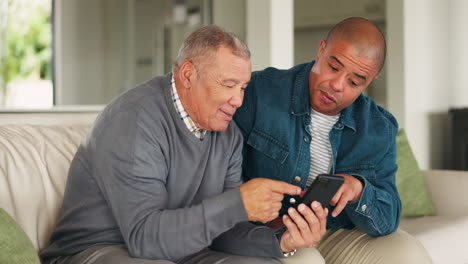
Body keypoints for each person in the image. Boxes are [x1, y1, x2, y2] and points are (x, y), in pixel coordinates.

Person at [39, 25, 322, 264]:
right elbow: (144, 238)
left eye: (243, 87)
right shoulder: (135, 121)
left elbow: (223, 232)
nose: (238, 100)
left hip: (182, 250)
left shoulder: (227, 135)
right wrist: (238, 203)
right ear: (188, 75)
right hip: (98, 250)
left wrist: (282, 241)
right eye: (228, 84)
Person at [211, 17, 432, 263]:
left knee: (410, 254)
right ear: (321, 49)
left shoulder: (379, 127)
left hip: (334, 230)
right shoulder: (258, 93)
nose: (336, 85)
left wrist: (358, 190)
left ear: (369, 81)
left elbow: (388, 218)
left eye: (354, 81)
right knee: (306, 260)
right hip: (268, 230)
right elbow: (219, 177)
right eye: (333, 67)